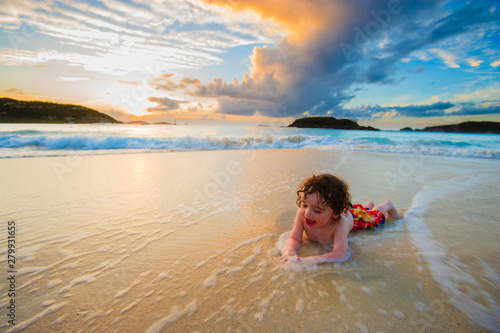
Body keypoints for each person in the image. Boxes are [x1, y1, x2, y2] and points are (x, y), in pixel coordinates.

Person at [280, 173, 401, 264]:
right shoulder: (301, 214)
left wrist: (309, 260)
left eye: (317, 211)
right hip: (347, 210)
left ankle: (386, 205)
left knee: (374, 217)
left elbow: (340, 254)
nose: (307, 213)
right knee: (356, 209)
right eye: (304, 205)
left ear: (336, 213)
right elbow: (295, 238)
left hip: (356, 218)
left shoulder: (339, 223)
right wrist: (290, 250)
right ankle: (366, 206)